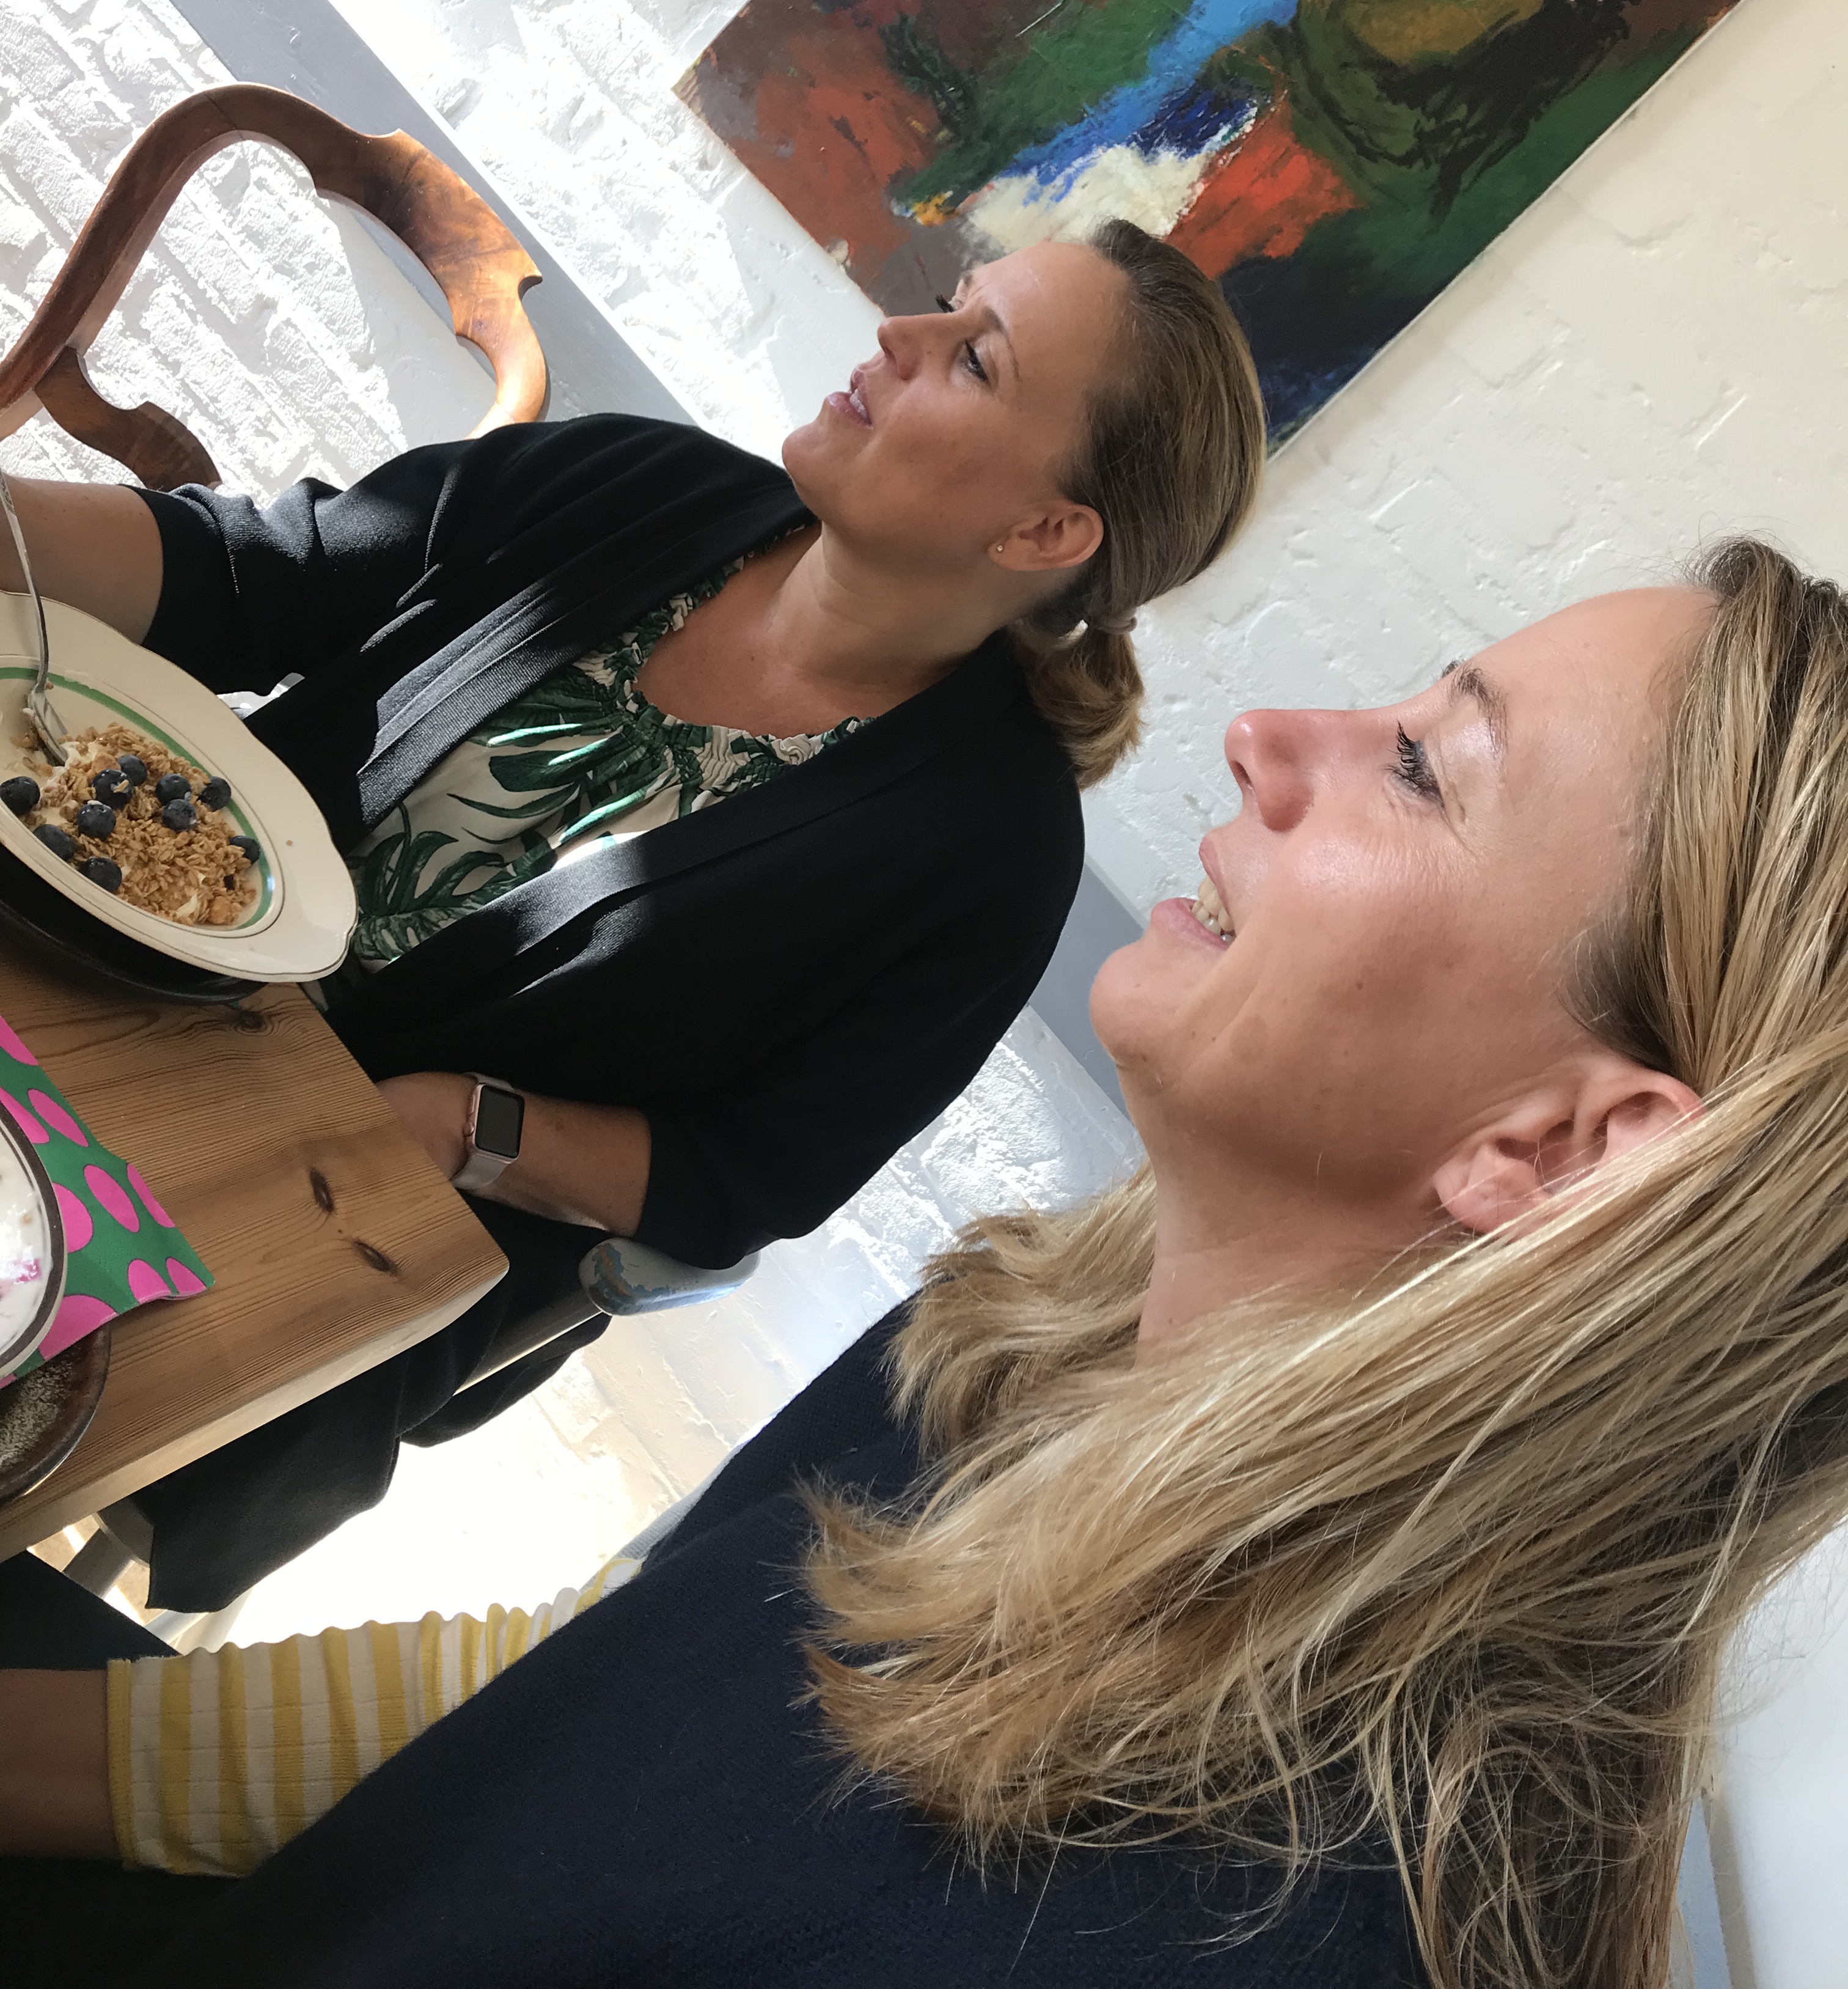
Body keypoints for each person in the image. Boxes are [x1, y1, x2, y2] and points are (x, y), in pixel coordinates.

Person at [6, 535, 1845, 1989]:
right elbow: (576, 1707)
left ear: (1563, 1153)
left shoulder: (1211, 1925)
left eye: (1426, 768)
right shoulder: (1029, 1336)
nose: (1272, 736)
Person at [0, 219, 1264, 1609]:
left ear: (1044, 532)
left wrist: (463, 1128)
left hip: (330, 1199)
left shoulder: (989, 856)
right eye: (948, 304)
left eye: (974, 358)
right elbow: (257, 570)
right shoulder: (645, 485)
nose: (898, 335)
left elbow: (748, 1177)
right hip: (111, 968)